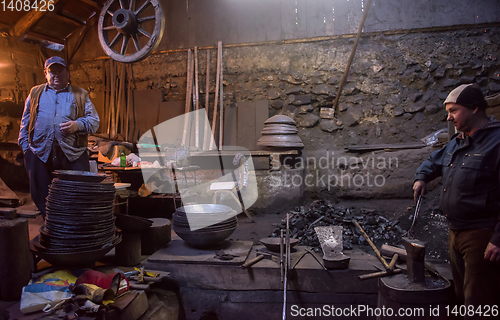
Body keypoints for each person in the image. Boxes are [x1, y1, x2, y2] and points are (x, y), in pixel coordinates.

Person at [413, 83, 500, 310]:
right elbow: (433, 161)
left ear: (474, 108)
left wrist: (498, 239)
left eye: (453, 111)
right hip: (455, 232)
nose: (449, 118)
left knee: (479, 301)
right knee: (461, 295)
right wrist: (421, 177)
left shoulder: (496, 143)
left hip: (482, 235)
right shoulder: (457, 141)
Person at [18, 56, 99, 218]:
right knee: (41, 195)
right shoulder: (35, 93)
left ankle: (71, 227)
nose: (56, 75)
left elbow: (94, 121)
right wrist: (26, 149)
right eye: (52, 71)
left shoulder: (80, 95)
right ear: (45, 74)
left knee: (76, 193)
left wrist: (78, 125)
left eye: (60, 71)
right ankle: (52, 227)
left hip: (72, 153)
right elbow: (25, 122)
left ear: (68, 73)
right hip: (39, 153)